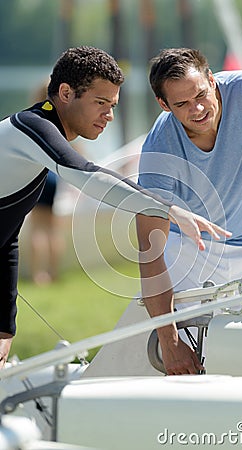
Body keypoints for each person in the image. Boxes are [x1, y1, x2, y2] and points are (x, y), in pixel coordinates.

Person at [0, 46, 230, 368]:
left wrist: (4, 328)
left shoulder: (34, 149)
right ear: (65, 93)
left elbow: (7, 240)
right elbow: (87, 177)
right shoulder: (31, 126)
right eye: (100, 103)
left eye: (113, 105)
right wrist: (169, 209)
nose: (109, 115)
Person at [136, 48, 242, 375]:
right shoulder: (159, 148)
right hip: (190, 252)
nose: (197, 109)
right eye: (181, 104)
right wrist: (169, 342)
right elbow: (150, 248)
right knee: (187, 369)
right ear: (164, 105)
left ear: (212, 80)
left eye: (201, 94)